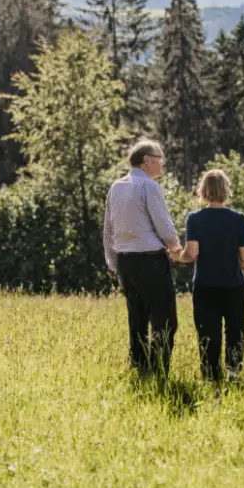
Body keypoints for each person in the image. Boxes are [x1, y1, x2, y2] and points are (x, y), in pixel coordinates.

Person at [103, 139, 183, 377]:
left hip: (126, 262)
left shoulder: (116, 187)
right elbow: (164, 224)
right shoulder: (149, 187)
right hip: (151, 262)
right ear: (146, 160)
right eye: (160, 160)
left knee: (136, 319)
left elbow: (108, 229)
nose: (163, 165)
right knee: (165, 321)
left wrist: (113, 262)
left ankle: (140, 369)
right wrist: (176, 248)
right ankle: (158, 372)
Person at [176, 169, 244, 382]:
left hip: (205, 287)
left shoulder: (194, 219)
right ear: (226, 190)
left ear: (203, 191)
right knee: (235, 330)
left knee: (208, 332)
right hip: (234, 286)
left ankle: (210, 377)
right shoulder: (238, 219)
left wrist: (178, 256)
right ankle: (234, 373)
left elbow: (192, 254)